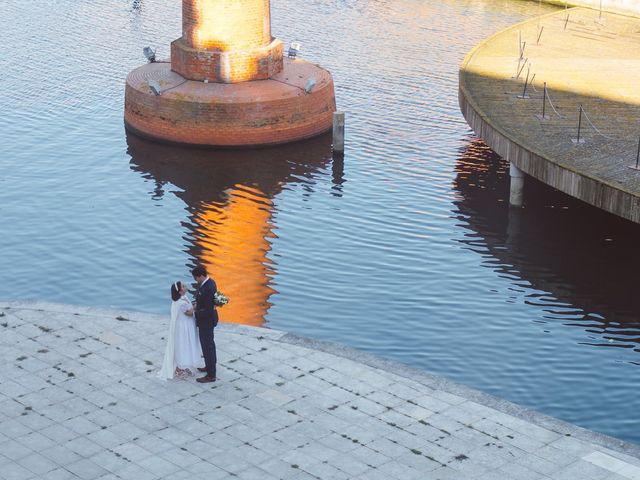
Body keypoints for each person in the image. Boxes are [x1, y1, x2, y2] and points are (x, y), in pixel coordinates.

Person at [158, 281, 204, 380]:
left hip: (187, 325)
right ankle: (179, 367)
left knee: (186, 345)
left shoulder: (183, 298)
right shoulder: (181, 303)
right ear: (180, 291)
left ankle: (183, 365)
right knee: (182, 345)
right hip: (183, 328)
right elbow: (189, 313)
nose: (185, 286)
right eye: (183, 286)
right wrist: (198, 306)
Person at [192, 265, 218, 383]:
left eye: (196, 278)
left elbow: (207, 309)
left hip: (206, 321)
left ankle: (211, 375)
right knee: (208, 345)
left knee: (208, 346)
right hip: (208, 320)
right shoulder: (210, 282)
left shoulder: (207, 288)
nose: (195, 280)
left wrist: (194, 313)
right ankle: (209, 366)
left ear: (201, 276)